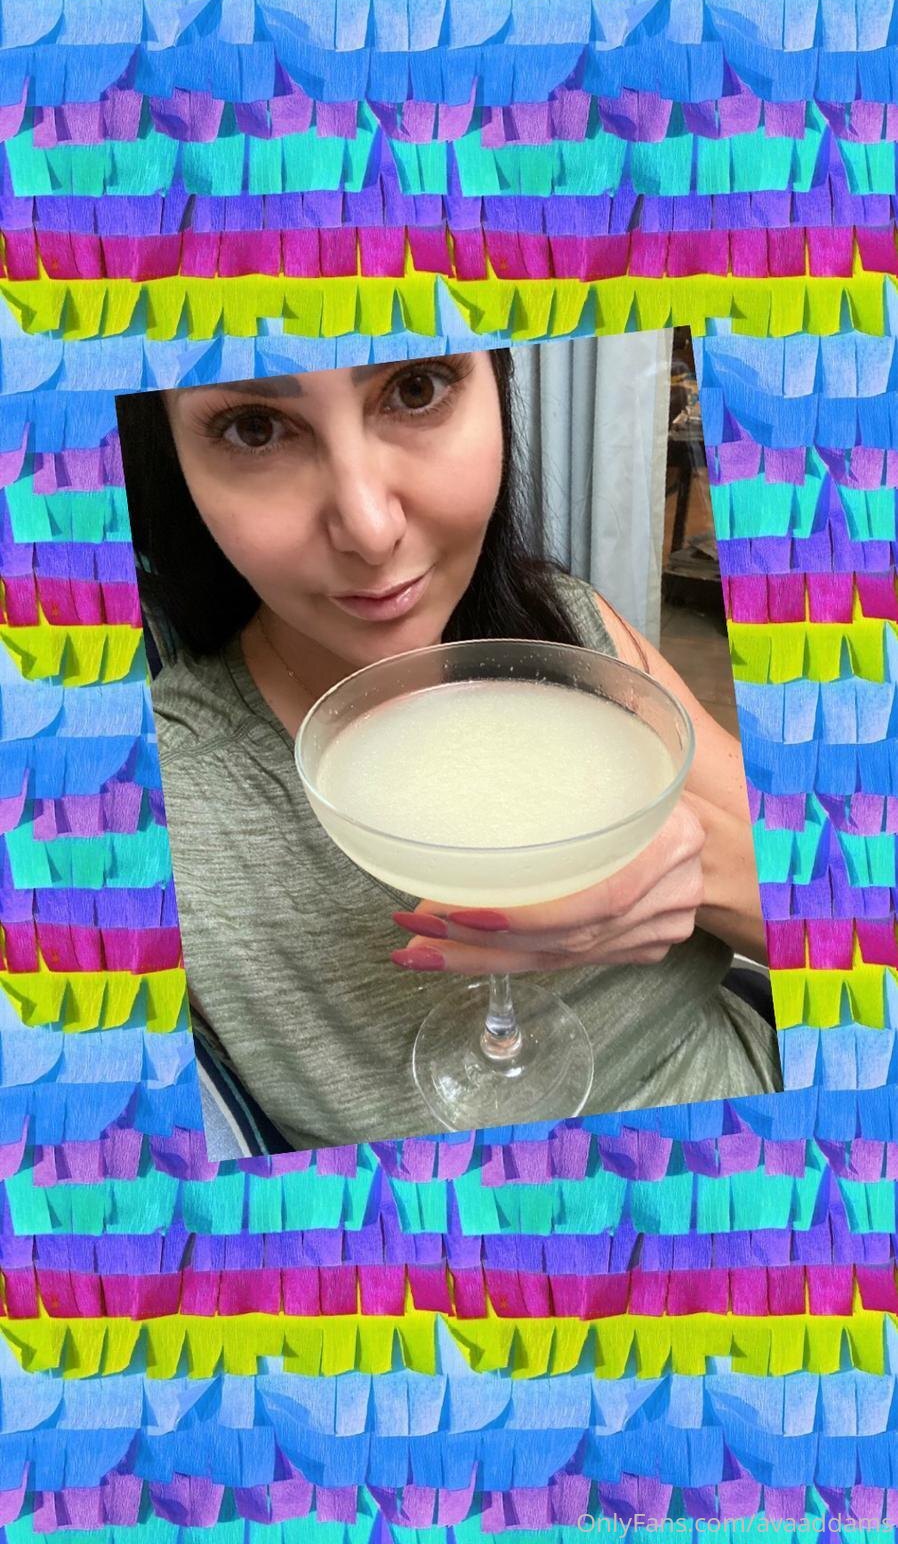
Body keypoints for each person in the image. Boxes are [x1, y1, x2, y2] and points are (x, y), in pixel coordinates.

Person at [117, 346, 781, 1154]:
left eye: (415, 387)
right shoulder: (142, 805)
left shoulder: (567, 626)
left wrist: (702, 870)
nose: (370, 529)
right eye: (255, 428)